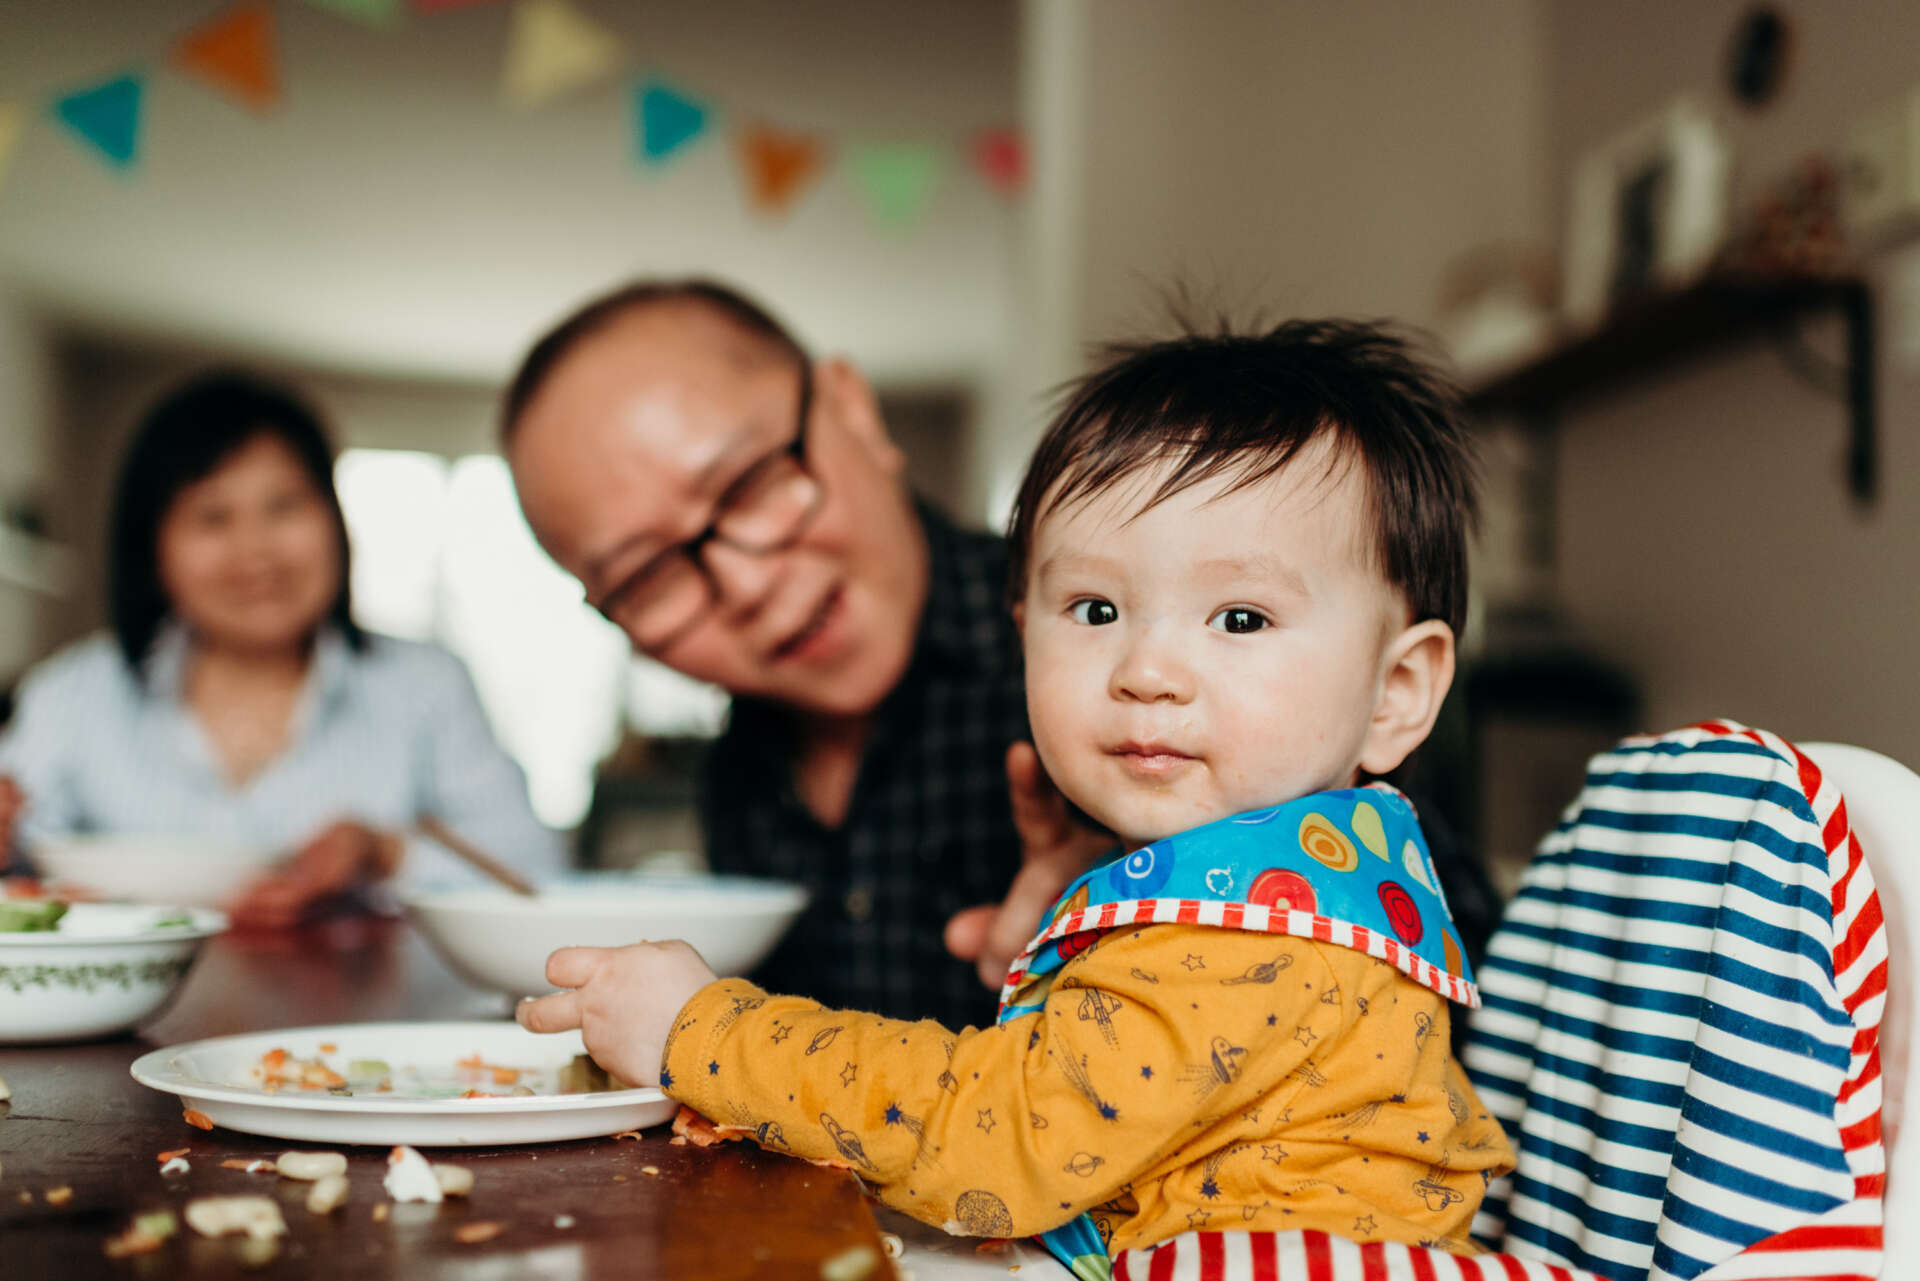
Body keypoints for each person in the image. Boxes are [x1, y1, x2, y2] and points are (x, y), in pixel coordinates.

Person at [517, 319, 1515, 1272]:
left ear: (1398, 693)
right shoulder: (752, 766)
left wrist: (704, 1032)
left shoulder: (1265, 925)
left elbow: (1004, 1140)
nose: (1147, 668)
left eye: (1241, 618)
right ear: (1022, 618)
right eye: (1094, 608)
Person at [0, 371, 558, 927]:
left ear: (334, 520)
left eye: (285, 506)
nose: (256, 550)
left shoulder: (427, 686)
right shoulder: (71, 694)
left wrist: (385, 855)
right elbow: (19, 857)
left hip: (358, 1009)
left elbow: (537, 872)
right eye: (213, 518)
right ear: (154, 552)